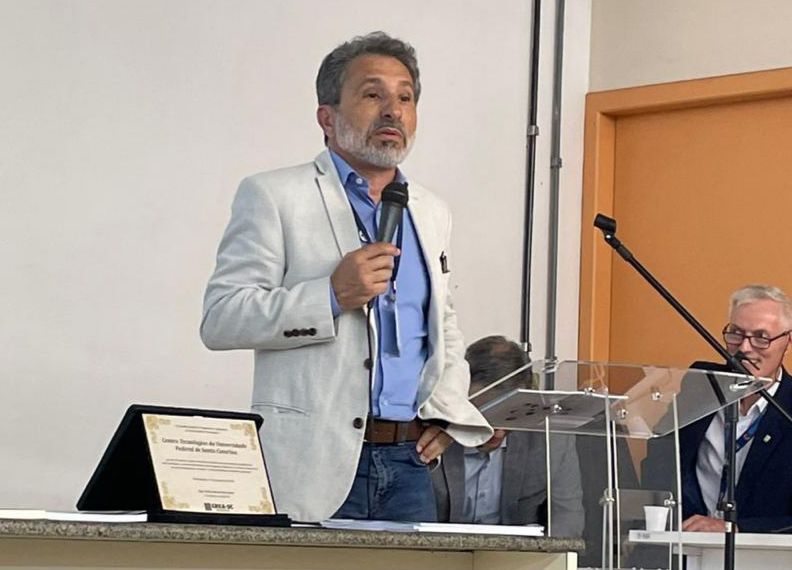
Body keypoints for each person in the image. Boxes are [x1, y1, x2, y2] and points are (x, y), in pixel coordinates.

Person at [200, 32, 492, 523]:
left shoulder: (430, 210)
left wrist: (448, 409)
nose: (393, 111)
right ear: (327, 117)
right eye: (373, 94)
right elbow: (222, 318)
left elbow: (442, 326)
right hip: (312, 463)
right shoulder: (275, 196)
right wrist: (330, 296)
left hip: (410, 462)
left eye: (405, 98)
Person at [643, 284, 792, 533]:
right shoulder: (701, 384)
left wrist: (734, 528)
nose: (744, 348)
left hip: (763, 550)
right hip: (687, 543)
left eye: (761, 337)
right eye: (736, 334)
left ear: (787, 340)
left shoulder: (787, 407)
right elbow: (661, 456)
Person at [432, 336, 585, 537]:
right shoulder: (429, 426)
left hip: (518, 554)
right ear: (461, 393)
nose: (498, 432)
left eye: (510, 416)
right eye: (486, 414)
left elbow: (567, 519)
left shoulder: (552, 439)